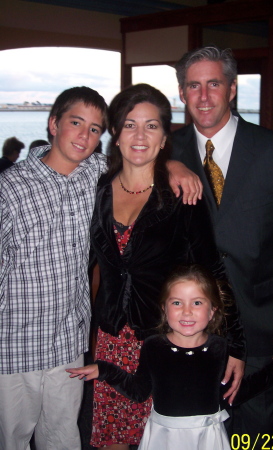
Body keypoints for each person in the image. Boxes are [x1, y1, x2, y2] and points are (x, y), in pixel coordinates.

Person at [0, 85, 209, 450]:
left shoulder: (95, 175)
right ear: (53, 124)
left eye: (95, 128)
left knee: (63, 437)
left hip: (69, 341)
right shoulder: (11, 187)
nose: (84, 135)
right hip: (16, 343)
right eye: (76, 123)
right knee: (12, 438)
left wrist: (174, 165)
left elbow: (141, 156)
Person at [84, 83, 245, 450]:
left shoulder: (183, 195)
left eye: (152, 125)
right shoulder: (99, 189)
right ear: (115, 132)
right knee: (111, 438)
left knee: (165, 439)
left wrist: (236, 346)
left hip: (165, 340)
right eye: (130, 124)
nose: (140, 135)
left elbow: (212, 274)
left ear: (164, 136)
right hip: (112, 337)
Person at [171, 45, 273, 438]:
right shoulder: (166, 150)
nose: (204, 96)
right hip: (190, 323)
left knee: (258, 425)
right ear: (182, 93)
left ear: (232, 89)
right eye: (193, 86)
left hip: (261, 320)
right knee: (199, 427)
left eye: (214, 84)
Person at [67, 264, 273, 450]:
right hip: (164, 437)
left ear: (212, 310)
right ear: (165, 309)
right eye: (177, 303)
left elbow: (232, 394)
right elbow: (139, 390)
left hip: (206, 438)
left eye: (197, 303)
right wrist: (103, 370)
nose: (187, 311)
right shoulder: (154, 346)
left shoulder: (218, 348)